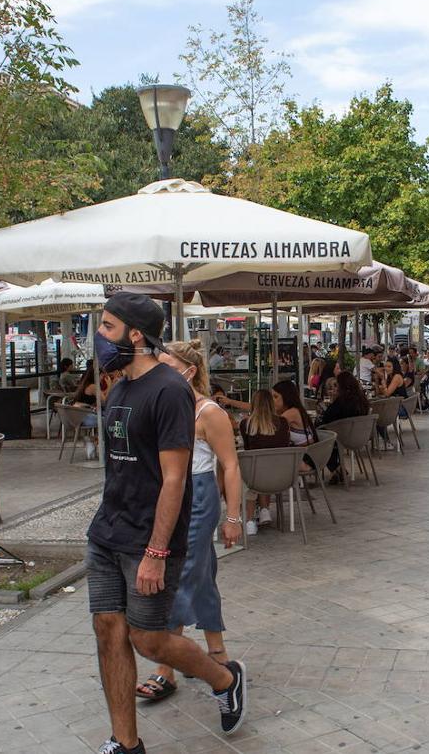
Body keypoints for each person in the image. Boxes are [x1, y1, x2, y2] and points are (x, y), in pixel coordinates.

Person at [86, 292, 246, 754]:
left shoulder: (169, 390)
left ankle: (223, 677)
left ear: (136, 335)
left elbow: (175, 480)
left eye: (108, 327)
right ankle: (126, 742)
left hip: (148, 538)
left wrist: (156, 552)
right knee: (107, 630)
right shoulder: (119, 387)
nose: (99, 336)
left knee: (150, 639)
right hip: (107, 533)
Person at [137, 340, 243, 705]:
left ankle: (166, 666)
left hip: (198, 495)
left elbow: (229, 465)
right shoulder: (166, 406)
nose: (160, 372)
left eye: (167, 365)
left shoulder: (209, 412)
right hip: (169, 495)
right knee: (202, 574)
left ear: (189, 370)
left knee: (181, 575)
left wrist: (233, 516)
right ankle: (218, 653)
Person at [237, 389, 290, 533]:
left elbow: (248, 450)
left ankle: (248, 522)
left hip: (257, 478)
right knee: (264, 466)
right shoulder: (283, 423)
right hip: (282, 477)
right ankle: (264, 510)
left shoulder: (246, 424)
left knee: (247, 471)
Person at [318, 371, 370, 479]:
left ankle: (336, 469)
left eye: (337, 385)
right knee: (329, 434)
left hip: (342, 437)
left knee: (321, 436)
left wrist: (333, 401)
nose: (335, 388)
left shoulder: (342, 401)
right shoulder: (362, 400)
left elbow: (327, 418)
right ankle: (337, 470)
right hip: (360, 437)